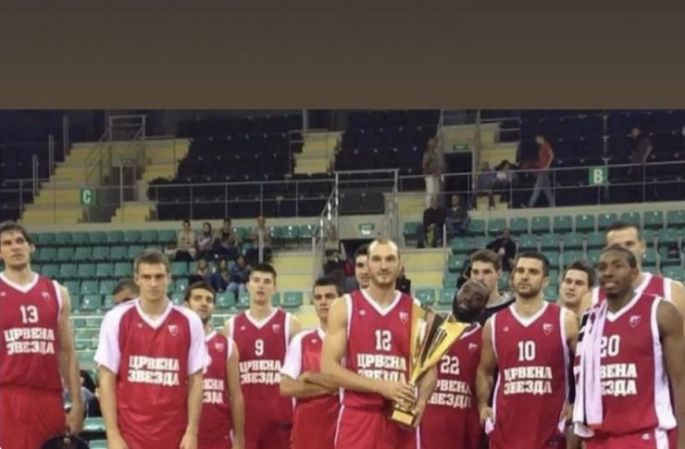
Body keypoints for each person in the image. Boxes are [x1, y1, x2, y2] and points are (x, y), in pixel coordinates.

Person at [322, 239, 437, 449]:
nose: (383, 266)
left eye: (390, 259)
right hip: (358, 417)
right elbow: (328, 368)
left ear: (400, 265)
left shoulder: (418, 311)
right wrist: (380, 386)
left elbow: (429, 369)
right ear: (367, 265)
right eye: (377, 259)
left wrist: (421, 403)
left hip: (401, 420)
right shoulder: (344, 306)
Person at [573, 245, 685, 449]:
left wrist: (683, 439)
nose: (608, 272)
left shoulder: (661, 311)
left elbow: (680, 379)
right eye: (602, 267)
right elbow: (583, 387)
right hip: (599, 438)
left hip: (646, 436)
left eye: (617, 266)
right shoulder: (589, 318)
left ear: (634, 273)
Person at [95, 249, 208, 449]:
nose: (153, 283)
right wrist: (112, 434)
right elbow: (106, 380)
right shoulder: (116, 318)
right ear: (137, 279)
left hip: (175, 433)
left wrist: (192, 431)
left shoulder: (190, 321)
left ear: (169, 278)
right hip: (130, 434)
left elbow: (196, 381)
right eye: (147, 277)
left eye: (159, 276)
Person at [476, 251, 578, 449]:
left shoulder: (565, 319)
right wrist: (482, 405)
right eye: (520, 271)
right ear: (512, 277)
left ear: (546, 281)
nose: (524, 276)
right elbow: (484, 371)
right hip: (505, 431)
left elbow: (585, 367)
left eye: (533, 272)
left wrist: (578, 403)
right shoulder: (493, 323)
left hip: (551, 430)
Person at [0, 221, 84, 448]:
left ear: (31, 247)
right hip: (7, 395)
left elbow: (66, 352)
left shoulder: (57, 291)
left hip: (48, 396)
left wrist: (77, 403)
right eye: (7, 243)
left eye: (20, 241)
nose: (15, 247)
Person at [225, 263, 301, 449]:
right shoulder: (231, 326)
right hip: (245, 423)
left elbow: (300, 373)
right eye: (256, 280)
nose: (261, 285)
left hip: (282, 421)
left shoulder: (290, 323)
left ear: (274, 288)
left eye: (267, 281)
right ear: (248, 285)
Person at [420, 280, 489, 449]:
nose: (468, 298)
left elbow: (487, 378)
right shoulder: (429, 327)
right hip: (424, 423)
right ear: (456, 292)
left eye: (477, 298)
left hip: (462, 426)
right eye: (465, 291)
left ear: (483, 308)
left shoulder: (484, 337)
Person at [280, 276, 342, 449]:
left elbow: (357, 385)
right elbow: (286, 387)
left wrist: (309, 377)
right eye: (318, 297)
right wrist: (336, 387)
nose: (323, 302)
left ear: (341, 301)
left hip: (344, 431)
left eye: (329, 296)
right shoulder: (301, 340)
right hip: (307, 434)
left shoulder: (353, 340)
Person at [587, 221, 685, 326]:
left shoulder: (672, 290)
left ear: (642, 246)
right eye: (616, 246)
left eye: (629, 244)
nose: (624, 250)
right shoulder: (592, 298)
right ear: (606, 251)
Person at [185, 281, 245, 449]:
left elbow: (235, 395)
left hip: (219, 438)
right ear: (186, 305)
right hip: (182, 437)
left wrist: (239, 438)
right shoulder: (175, 342)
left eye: (209, 300)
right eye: (197, 298)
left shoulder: (227, 345)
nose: (204, 303)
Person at [469, 249, 515, 325]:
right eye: (475, 272)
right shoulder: (465, 309)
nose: (480, 278)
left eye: (486, 272)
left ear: (499, 274)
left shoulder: (513, 307)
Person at [527, 134, 556, 208]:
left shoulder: (546, 145)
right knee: (547, 190)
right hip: (542, 169)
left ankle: (530, 205)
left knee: (537, 188)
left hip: (543, 170)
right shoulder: (542, 146)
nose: (537, 141)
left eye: (537, 139)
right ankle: (553, 205)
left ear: (541, 138)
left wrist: (547, 166)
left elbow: (551, 155)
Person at [422, 137, 443, 208]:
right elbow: (424, 166)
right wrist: (432, 172)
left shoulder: (436, 154)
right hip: (429, 176)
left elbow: (438, 165)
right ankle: (428, 208)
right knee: (430, 193)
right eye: (434, 144)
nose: (435, 145)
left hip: (436, 176)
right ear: (430, 145)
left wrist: (438, 172)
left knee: (436, 193)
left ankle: (435, 208)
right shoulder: (426, 154)